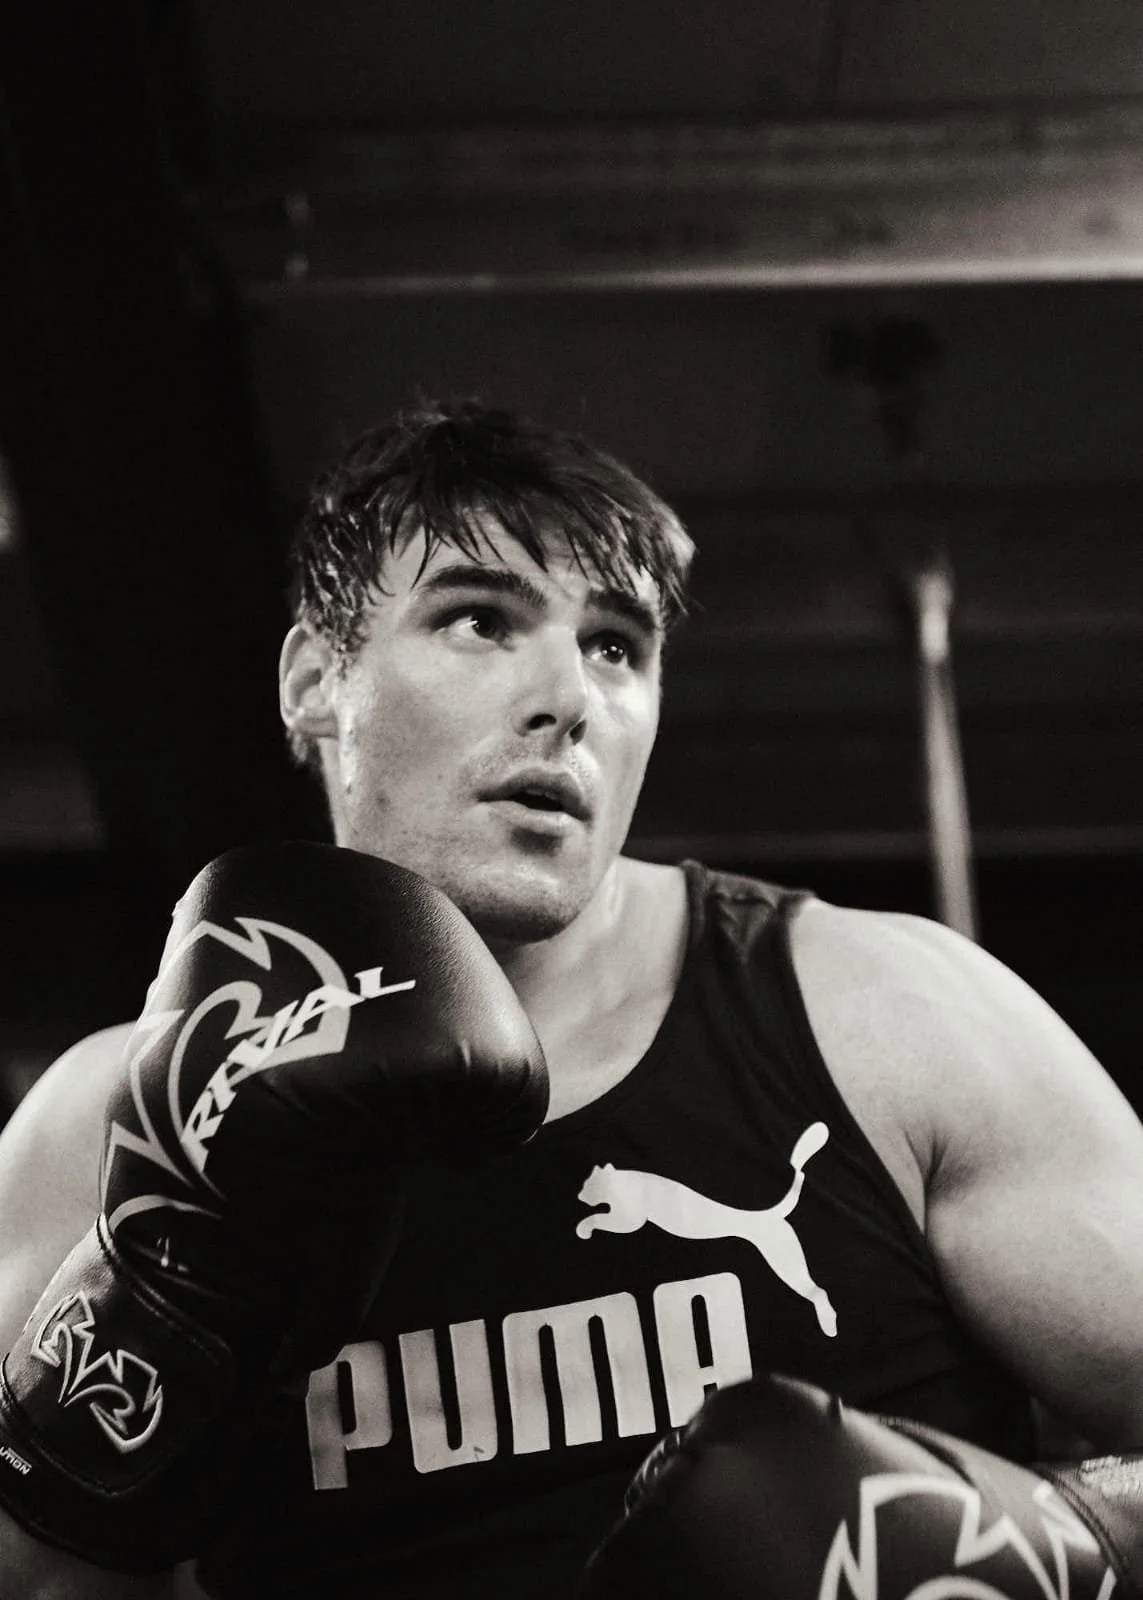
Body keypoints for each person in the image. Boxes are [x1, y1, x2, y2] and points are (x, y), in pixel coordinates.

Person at [0, 399, 1140, 1599]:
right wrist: (153, 1300)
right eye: (480, 620)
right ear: (315, 680)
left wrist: (1032, 1550)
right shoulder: (107, 1130)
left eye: (615, 645)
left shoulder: (890, 1022)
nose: (569, 697)